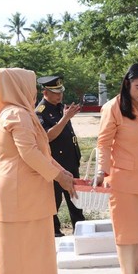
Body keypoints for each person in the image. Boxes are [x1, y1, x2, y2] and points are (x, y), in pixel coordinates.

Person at [0, 68, 76, 274]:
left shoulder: (17, 113)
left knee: (28, 242)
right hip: (19, 190)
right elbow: (29, 154)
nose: (34, 90)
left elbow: (42, 151)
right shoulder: (16, 114)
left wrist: (62, 172)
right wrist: (58, 176)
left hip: (25, 188)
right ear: (17, 87)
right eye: (30, 85)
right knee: (16, 243)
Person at [94, 63, 138, 274]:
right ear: (127, 84)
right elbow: (104, 143)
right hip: (122, 179)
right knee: (126, 231)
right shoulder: (113, 107)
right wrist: (101, 171)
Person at [35, 75, 84, 237]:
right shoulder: (40, 111)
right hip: (55, 164)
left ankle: (80, 228)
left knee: (76, 200)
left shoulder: (61, 107)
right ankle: (54, 232)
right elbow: (47, 137)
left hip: (71, 160)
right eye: (55, 92)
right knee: (54, 201)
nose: (59, 95)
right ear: (45, 93)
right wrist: (65, 118)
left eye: (60, 91)